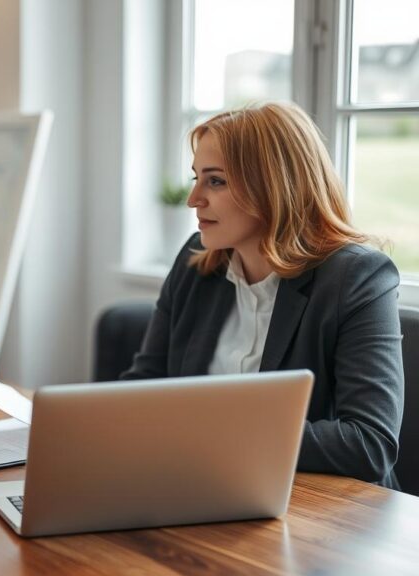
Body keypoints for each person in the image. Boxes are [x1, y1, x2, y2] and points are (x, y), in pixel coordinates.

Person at [122, 102, 404, 488]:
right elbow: (144, 385)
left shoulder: (357, 277)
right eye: (196, 179)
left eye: (215, 181)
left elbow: (368, 444)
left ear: (272, 186)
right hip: (204, 487)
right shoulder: (195, 262)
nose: (194, 199)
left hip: (325, 514)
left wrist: (211, 435)